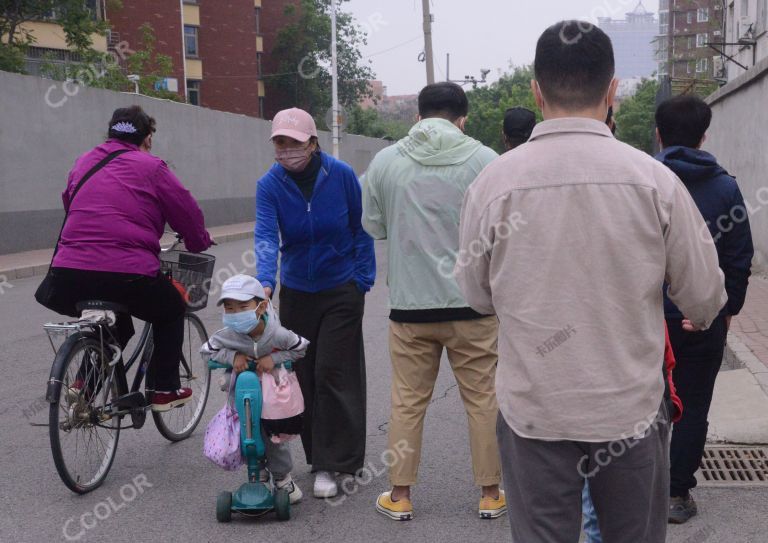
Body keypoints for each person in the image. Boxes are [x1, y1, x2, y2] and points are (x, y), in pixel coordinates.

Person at [455, 21, 726, 543]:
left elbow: (475, 294)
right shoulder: (654, 181)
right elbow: (705, 297)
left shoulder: (493, 183)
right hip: (628, 412)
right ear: (613, 90)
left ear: (536, 90)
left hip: (534, 411)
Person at [362, 82, 505, 521]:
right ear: (462, 119)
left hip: (410, 308)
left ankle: (400, 495)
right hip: (473, 306)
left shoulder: (385, 162)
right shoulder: (486, 160)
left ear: (417, 117)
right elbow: (501, 232)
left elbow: (375, 227)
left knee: (407, 400)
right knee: (483, 399)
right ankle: (490, 494)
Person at [45, 105, 213, 411]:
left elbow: (71, 203)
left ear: (110, 132)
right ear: (147, 138)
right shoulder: (152, 167)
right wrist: (198, 241)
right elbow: (185, 210)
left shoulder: (83, 162)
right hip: (126, 272)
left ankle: (82, 387)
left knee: (118, 327)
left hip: (69, 273)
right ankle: (163, 389)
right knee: (172, 307)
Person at [255, 107, 376, 499]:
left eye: (294, 142)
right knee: (303, 376)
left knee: (332, 372)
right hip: (297, 291)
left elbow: (361, 229)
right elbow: (266, 237)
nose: (286, 150)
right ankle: (317, 457)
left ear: (312, 143)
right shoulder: (270, 184)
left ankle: (335, 463)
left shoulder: (339, 176)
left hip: (341, 288)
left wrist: (362, 280)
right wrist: (264, 284)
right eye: (280, 142)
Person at [655, 95, 754, 524]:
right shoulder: (724, 187)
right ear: (703, 135)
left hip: (646, 320)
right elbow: (738, 256)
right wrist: (725, 308)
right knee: (693, 404)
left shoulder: (643, 180)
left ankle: (638, 487)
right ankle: (677, 495)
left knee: (643, 404)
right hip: (701, 318)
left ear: (658, 133)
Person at [201, 274, 309, 504]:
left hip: (273, 399)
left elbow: (301, 347)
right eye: (229, 308)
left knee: (274, 439)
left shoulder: (276, 333)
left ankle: (282, 478)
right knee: (247, 435)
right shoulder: (227, 335)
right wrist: (232, 357)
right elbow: (207, 351)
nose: (236, 313)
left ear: (260, 307)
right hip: (243, 397)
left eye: (243, 306)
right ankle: (257, 471)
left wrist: (276, 358)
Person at [582, 323, 684, 542]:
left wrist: (670, 397)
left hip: (639, 405)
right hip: (604, 406)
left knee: (614, 519)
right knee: (603, 518)